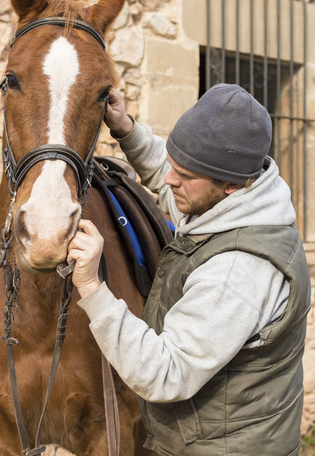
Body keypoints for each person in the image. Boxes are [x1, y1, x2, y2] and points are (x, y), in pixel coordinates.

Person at [68, 84, 311, 456]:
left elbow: (164, 374)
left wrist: (92, 286)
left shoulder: (239, 270)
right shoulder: (241, 195)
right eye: (173, 165)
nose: (169, 180)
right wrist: (126, 129)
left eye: (185, 174)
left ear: (230, 185)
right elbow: (176, 183)